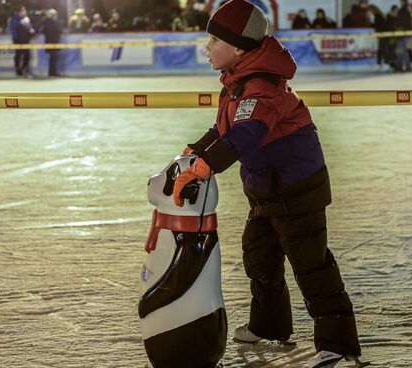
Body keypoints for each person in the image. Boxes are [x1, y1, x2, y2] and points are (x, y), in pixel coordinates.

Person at [172, 1, 365, 367]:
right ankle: (271, 326)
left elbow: (248, 133)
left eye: (214, 41)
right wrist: (196, 150)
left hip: (296, 187)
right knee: (260, 257)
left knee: (310, 263)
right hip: (267, 187)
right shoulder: (237, 81)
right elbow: (224, 128)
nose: (207, 48)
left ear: (239, 47)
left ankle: (338, 343)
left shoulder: (261, 85)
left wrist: (205, 166)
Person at [42, 9, 61, 77]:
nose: (56, 16)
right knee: (52, 58)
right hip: (51, 42)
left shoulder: (53, 22)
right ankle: (51, 72)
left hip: (55, 42)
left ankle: (53, 72)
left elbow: (59, 30)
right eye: (54, 15)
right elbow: (54, 30)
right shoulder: (47, 22)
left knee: (54, 58)